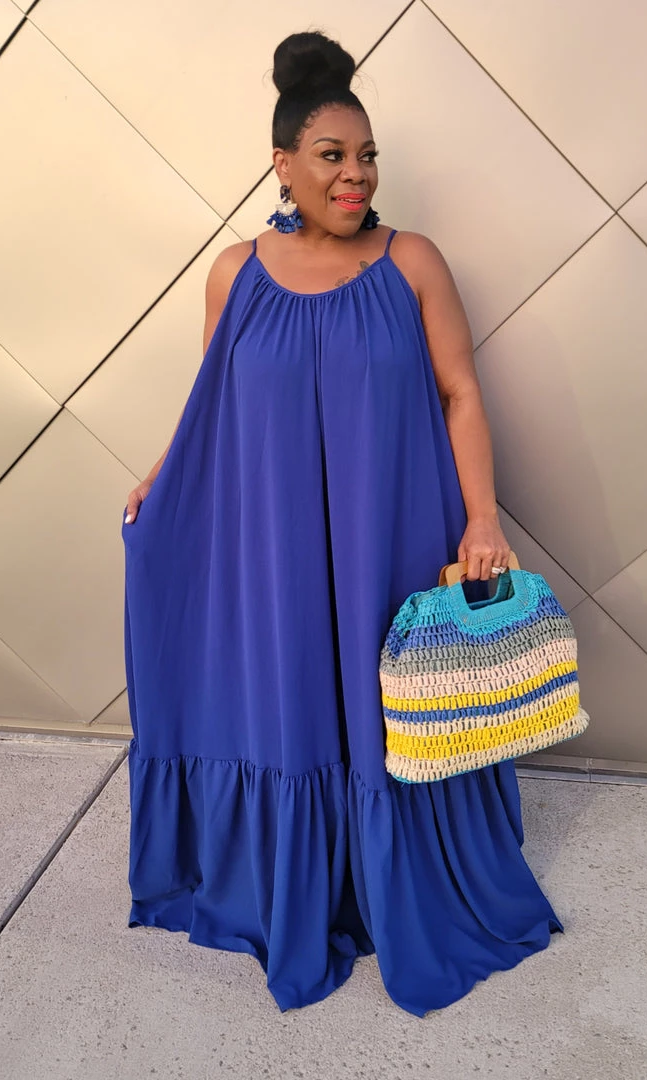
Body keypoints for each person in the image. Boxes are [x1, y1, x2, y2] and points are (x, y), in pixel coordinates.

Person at [121, 30, 563, 1017]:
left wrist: (482, 521)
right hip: (277, 546)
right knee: (292, 701)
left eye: (367, 156)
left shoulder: (413, 263)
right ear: (282, 164)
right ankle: (300, 880)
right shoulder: (235, 274)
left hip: (390, 542)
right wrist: (159, 479)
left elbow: (460, 394)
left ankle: (397, 877)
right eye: (332, 155)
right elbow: (214, 405)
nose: (355, 174)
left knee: (389, 710)